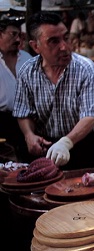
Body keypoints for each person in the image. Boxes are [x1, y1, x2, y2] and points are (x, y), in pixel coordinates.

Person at [13, 12, 94, 170]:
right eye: (53, 41)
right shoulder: (27, 72)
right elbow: (23, 111)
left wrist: (66, 142)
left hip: (86, 145)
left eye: (66, 38)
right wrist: (29, 135)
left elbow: (90, 115)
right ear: (35, 46)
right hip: (48, 147)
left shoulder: (86, 69)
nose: (64, 46)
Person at [0, 17, 31, 161]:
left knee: (26, 161)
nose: (18, 39)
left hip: (27, 119)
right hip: (2, 120)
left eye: (20, 35)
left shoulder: (27, 59)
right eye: (13, 34)